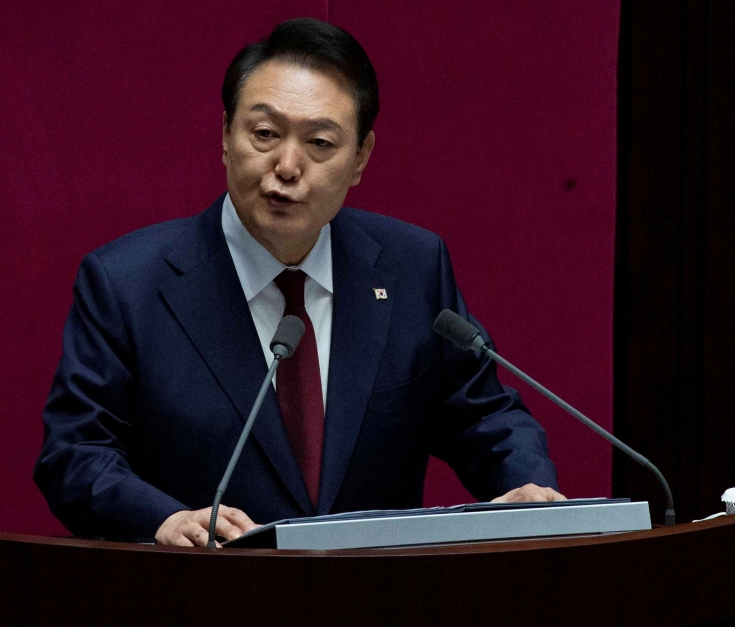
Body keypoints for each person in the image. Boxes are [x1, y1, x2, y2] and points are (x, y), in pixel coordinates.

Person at [34, 18, 564, 548]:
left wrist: (524, 486)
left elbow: (484, 415)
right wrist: (163, 520)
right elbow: (75, 452)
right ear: (225, 136)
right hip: (202, 596)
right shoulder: (127, 283)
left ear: (360, 158)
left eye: (319, 143)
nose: (287, 166)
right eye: (264, 134)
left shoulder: (412, 267)